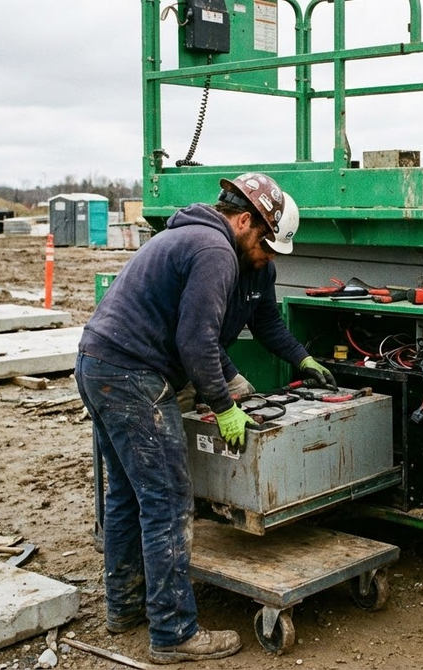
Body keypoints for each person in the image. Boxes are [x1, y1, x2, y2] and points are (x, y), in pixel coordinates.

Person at [75, 172, 336, 664]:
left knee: (128, 494)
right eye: (267, 244)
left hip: (101, 364)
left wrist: (302, 358)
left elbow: (266, 322)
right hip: (132, 376)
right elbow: (196, 341)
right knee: (168, 501)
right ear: (245, 221)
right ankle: (173, 633)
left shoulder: (229, 255)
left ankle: (125, 607)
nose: (269, 256)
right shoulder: (213, 249)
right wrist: (224, 407)